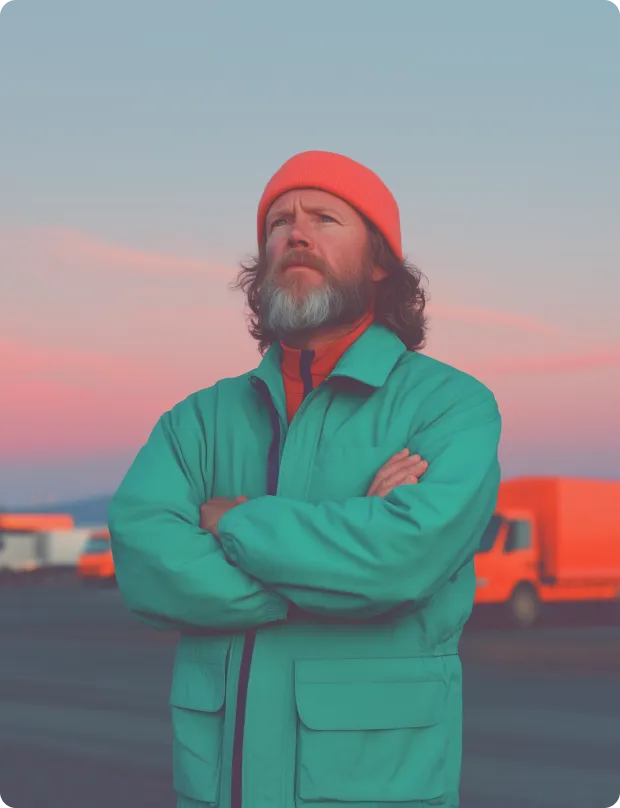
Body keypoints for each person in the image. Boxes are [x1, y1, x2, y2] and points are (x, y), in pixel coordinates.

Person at [108, 150, 502, 808]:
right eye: (278, 222)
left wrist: (233, 524)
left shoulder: (449, 407)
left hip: (373, 788)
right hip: (218, 789)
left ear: (380, 264)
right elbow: (145, 558)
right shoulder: (198, 421)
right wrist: (331, 575)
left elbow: (399, 561)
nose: (296, 232)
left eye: (325, 218)